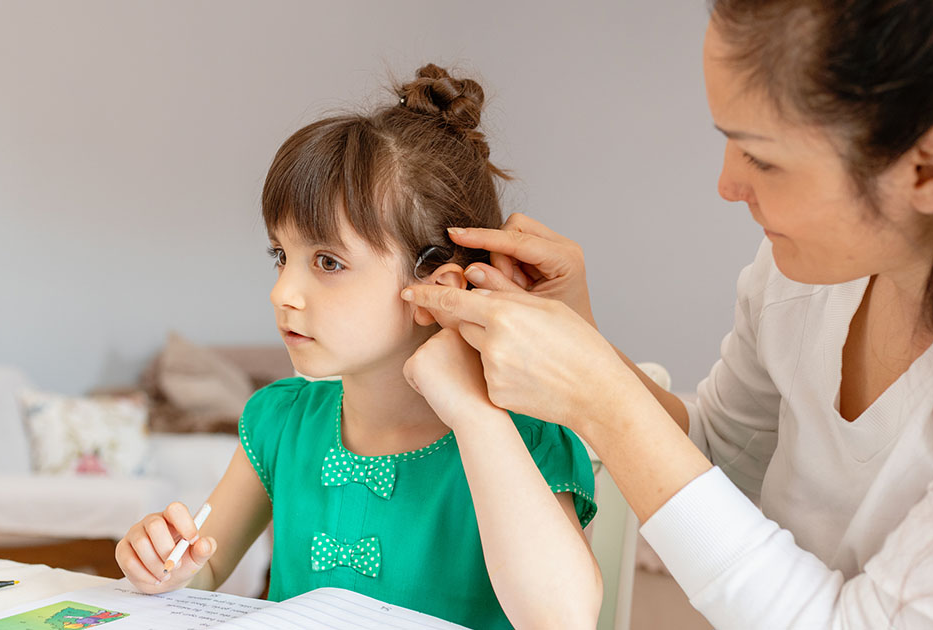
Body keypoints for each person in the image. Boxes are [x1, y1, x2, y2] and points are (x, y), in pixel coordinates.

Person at [401, 1, 933, 628]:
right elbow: (718, 462)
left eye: (762, 157)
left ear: (925, 171)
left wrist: (600, 401)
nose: (727, 185)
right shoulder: (804, 273)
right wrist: (585, 348)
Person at [114, 64, 601, 630]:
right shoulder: (280, 420)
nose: (282, 293)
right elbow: (209, 563)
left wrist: (472, 412)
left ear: (434, 293)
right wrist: (164, 566)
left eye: (328, 262)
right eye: (281, 256)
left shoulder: (529, 438)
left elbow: (564, 619)